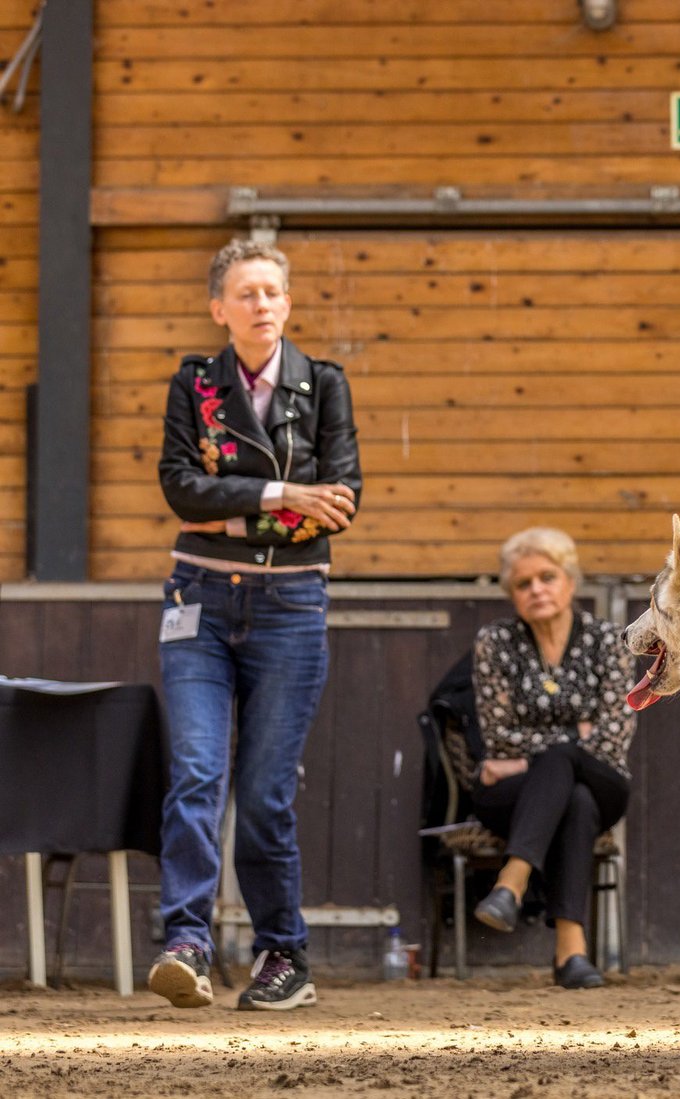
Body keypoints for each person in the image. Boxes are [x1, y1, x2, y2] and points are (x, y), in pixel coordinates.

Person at [148, 239, 361, 1011]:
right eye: (246, 293)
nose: (261, 304)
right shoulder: (193, 383)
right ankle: (187, 941)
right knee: (196, 773)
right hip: (198, 600)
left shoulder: (324, 384)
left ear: (288, 304)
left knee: (266, 794)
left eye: (272, 291)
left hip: (292, 606)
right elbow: (179, 489)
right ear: (220, 308)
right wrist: (282, 495)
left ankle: (283, 955)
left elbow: (342, 501)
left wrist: (231, 509)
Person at [469, 527, 636, 989]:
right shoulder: (495, 642)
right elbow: (497, 735)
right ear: (512, 594)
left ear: (570, 581)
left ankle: (512, 882)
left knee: (569, 770)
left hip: (604, 780)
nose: (536, 590)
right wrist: (571, 738)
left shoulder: (608, 640)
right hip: (514, 797)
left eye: (547, 577)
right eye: (523, 583)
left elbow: (613, 736)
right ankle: (571, 952)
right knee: (573, 798)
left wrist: (533, 756)